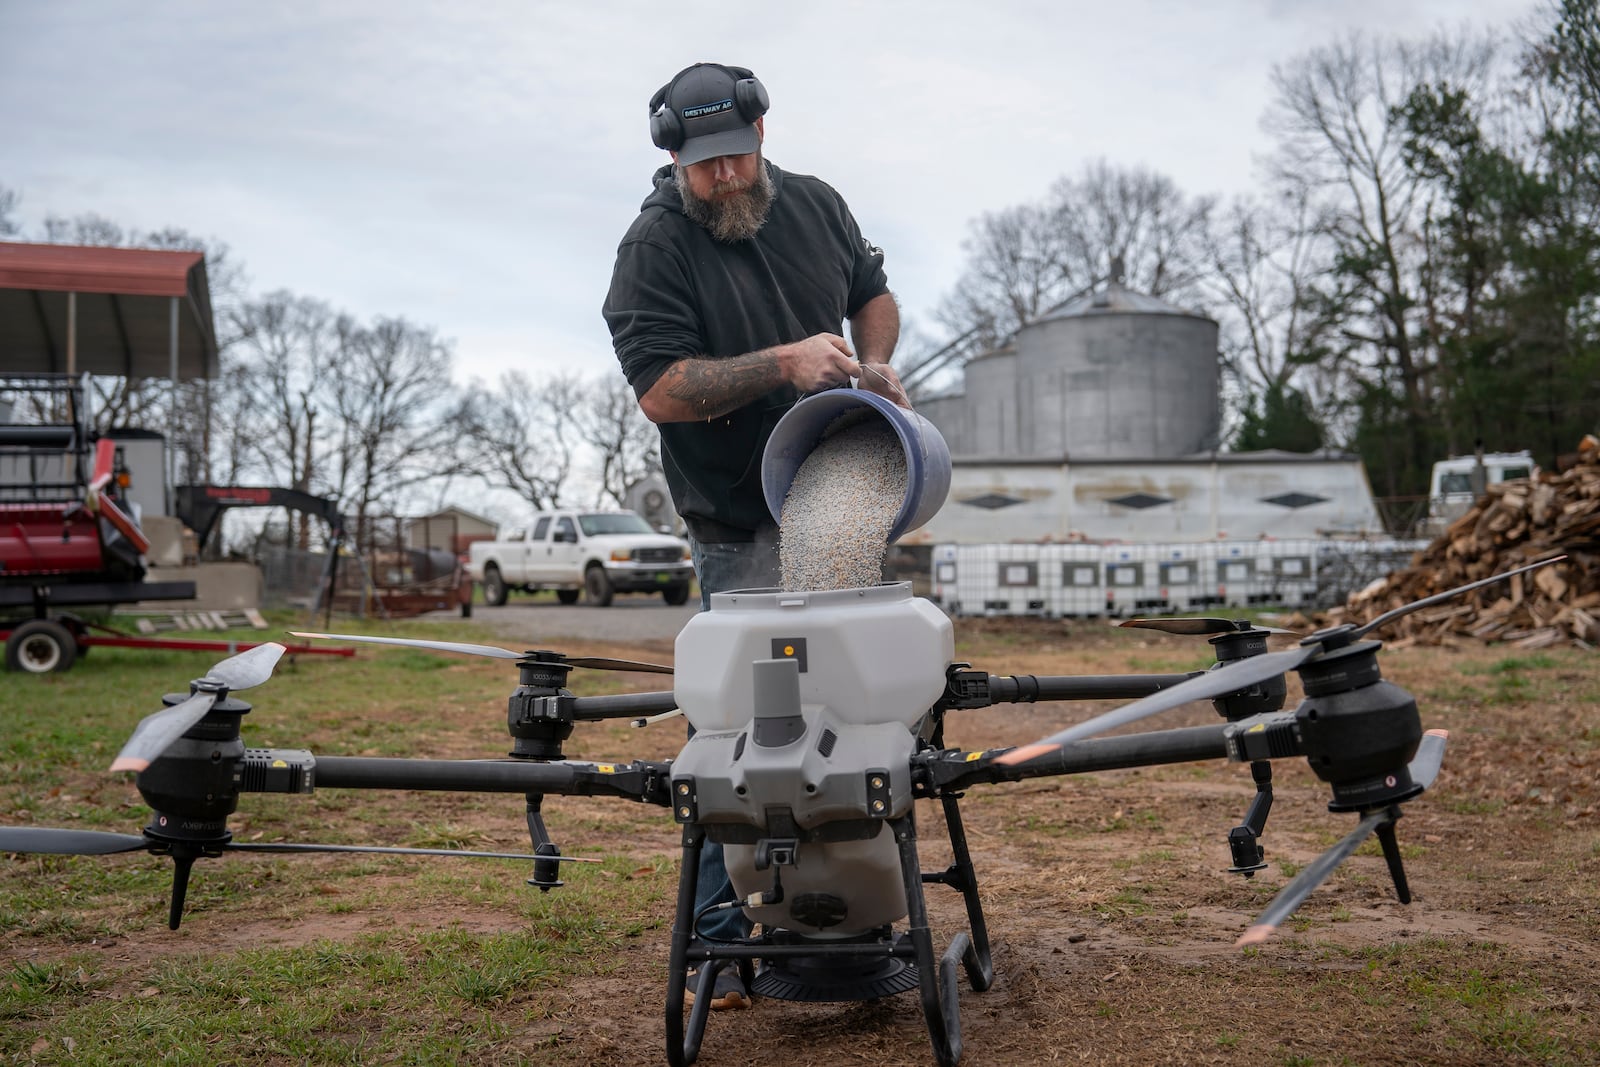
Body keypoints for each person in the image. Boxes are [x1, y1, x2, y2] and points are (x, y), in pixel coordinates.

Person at [602, 61, 907, 1010]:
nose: (724, 178)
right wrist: (783, 360)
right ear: (674, 160)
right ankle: (723, 938)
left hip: (835, 495)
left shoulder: (815, 205)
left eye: (734, 157)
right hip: (737, 520)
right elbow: (661, 390)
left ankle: (857, 911)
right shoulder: (654, 249)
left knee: (860, 715)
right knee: (733, 736)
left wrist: (877, 360)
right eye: (704, 167)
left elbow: (873, 290)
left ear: (761, 137)